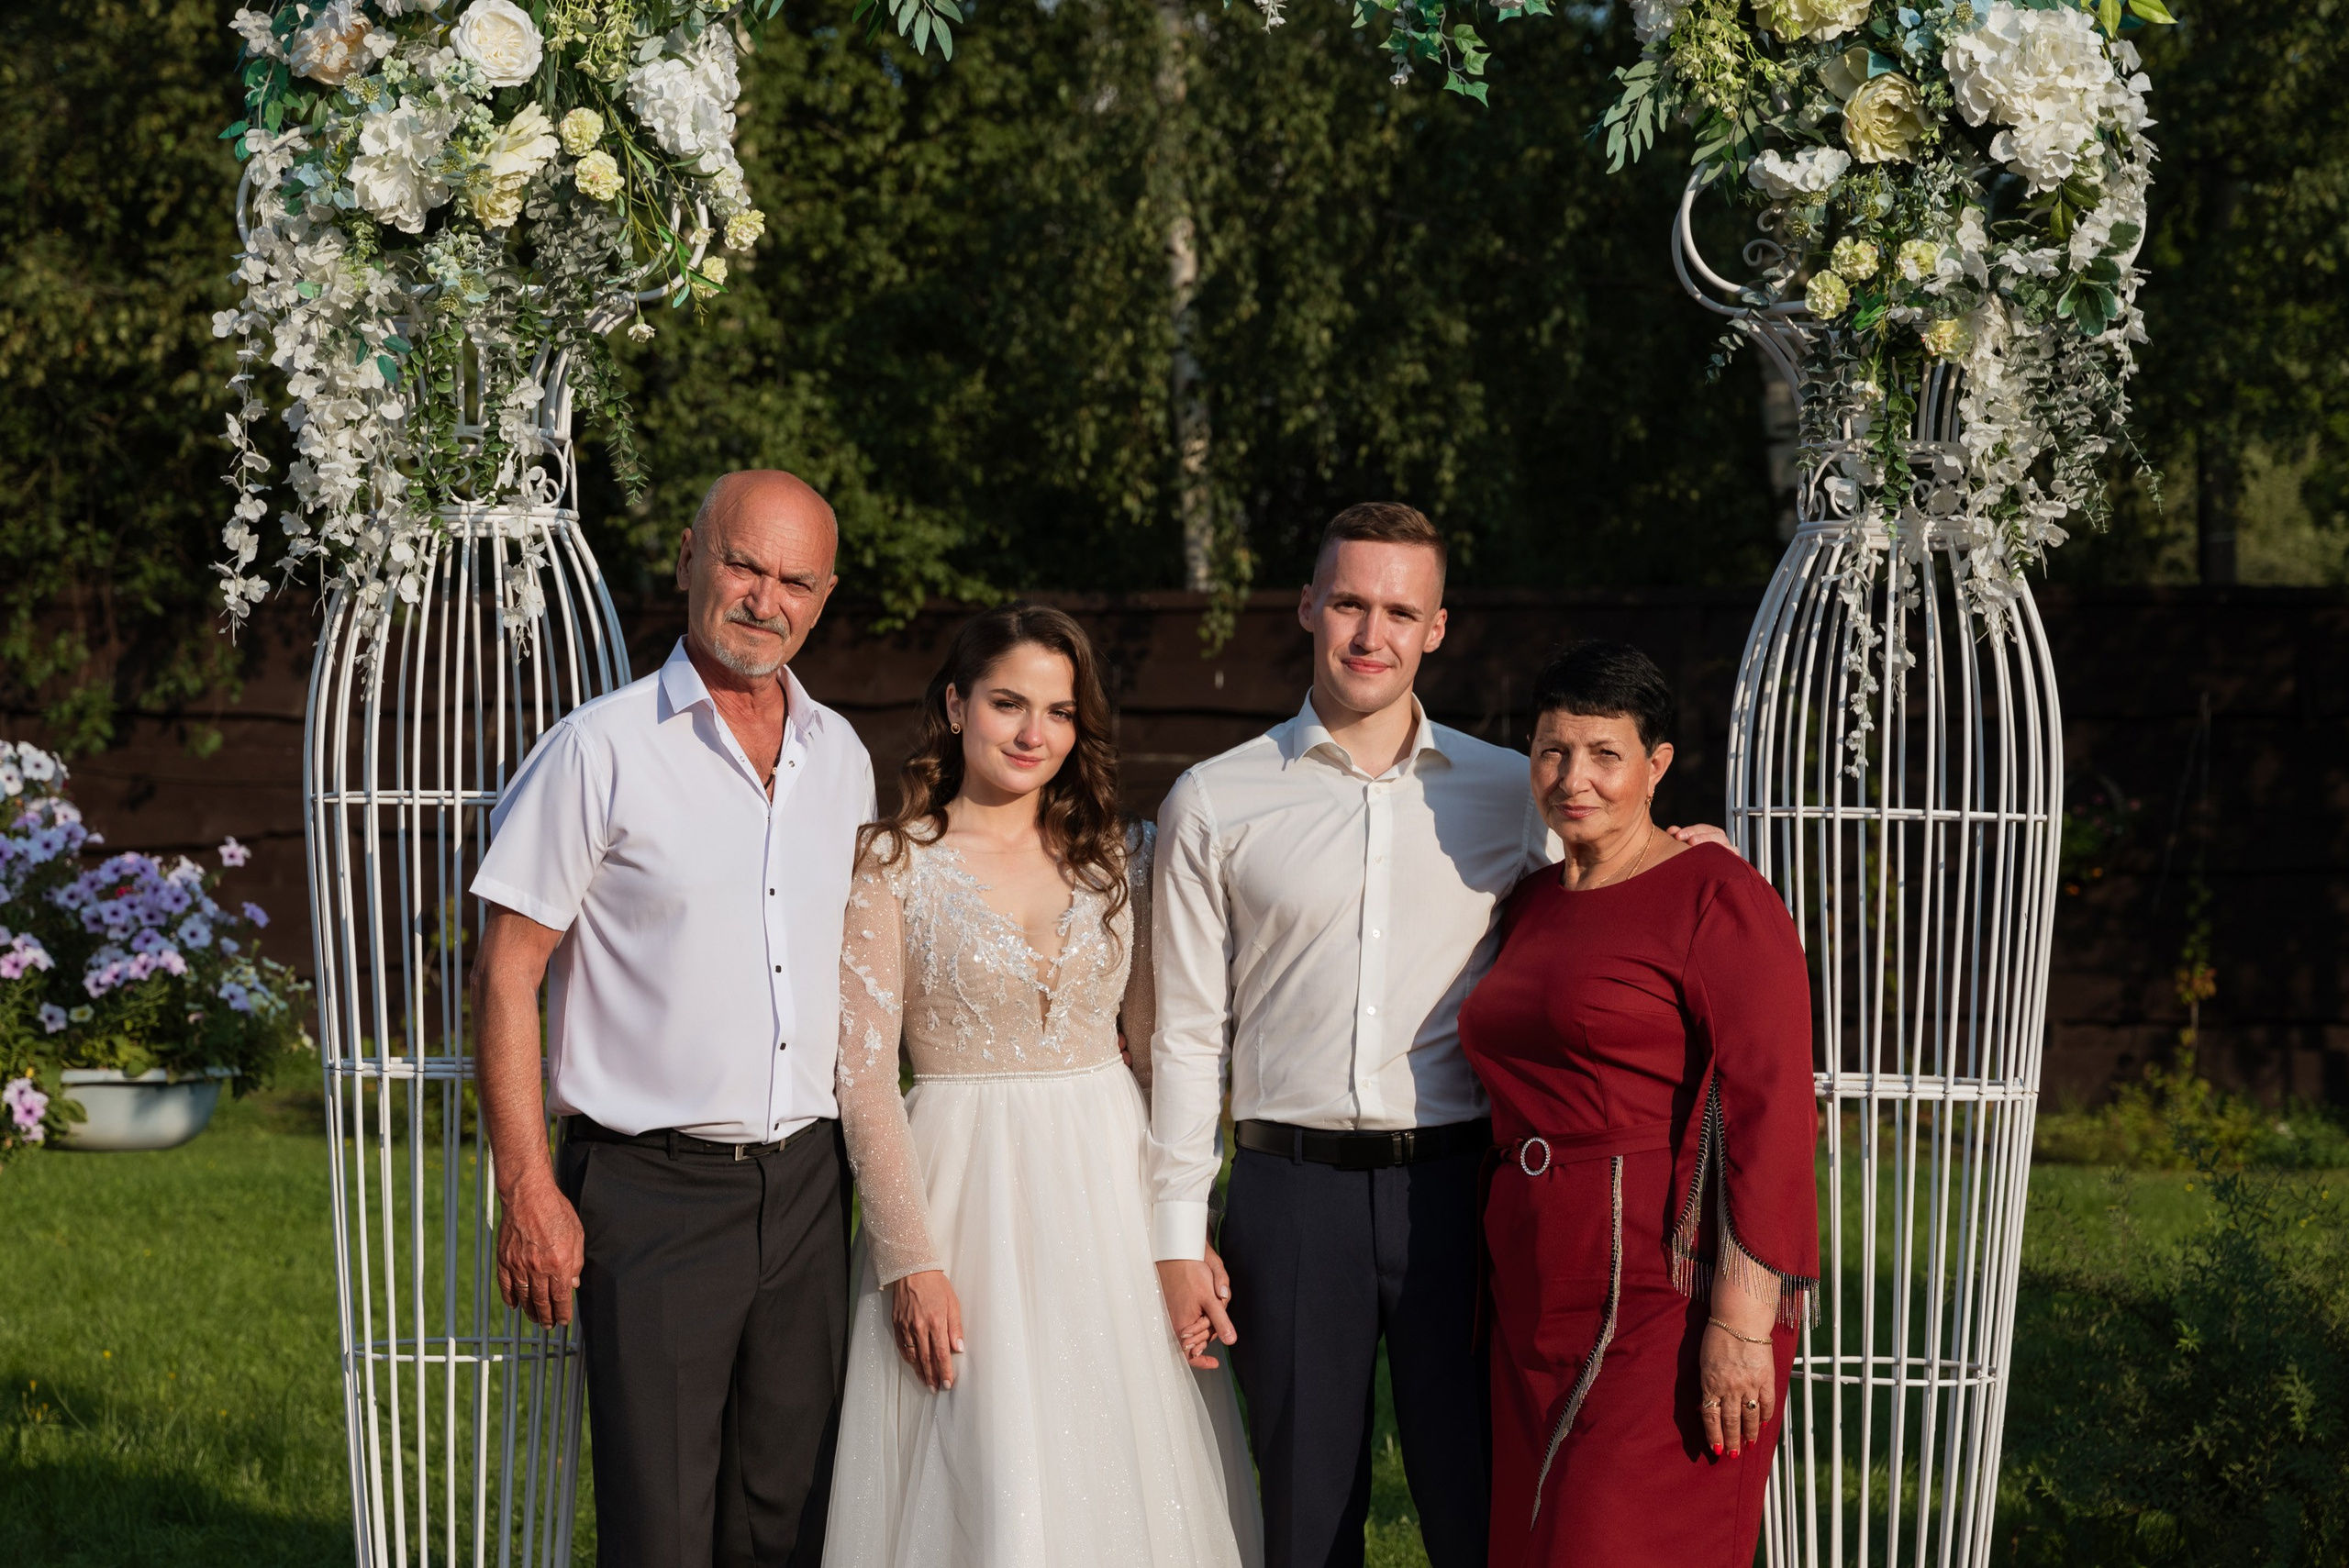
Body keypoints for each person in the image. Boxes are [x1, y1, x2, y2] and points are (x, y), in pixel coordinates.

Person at [1147, 504, 1722, 1568]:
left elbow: (1619, 868)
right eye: (1352, 602)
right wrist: (1178, 1232)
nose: (1372, 631)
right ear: (1309, 605)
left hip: (1463, 1193)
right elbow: (1186, 1033)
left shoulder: (1516, 789)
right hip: (1290, 1193)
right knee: (1306, 1516)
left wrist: (1695, 848)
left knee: (1479, 1497)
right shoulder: (1214, 802)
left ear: (1436, 628)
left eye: (1399, 610)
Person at [471, 470, 874, 1568]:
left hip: (806, 1186)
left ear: (824, 595)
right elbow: (508, 976)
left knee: (788, 1515)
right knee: (660, 1529)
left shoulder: (841, 758)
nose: (764, 598)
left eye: (795, 579)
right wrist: (529, 1189)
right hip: (650, 1193)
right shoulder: (598, 749)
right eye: (744, 564)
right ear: (691, 554)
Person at [821, 604, 1261, 1568]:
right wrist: (908, 1259)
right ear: (953, 704)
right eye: (1008, 702)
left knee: (1117, 1441)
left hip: (1104, 1179)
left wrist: (1182, 1229)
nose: (1033, 733)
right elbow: (862, 1077)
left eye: (1058, 711)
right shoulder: (890, 863)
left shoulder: (1121, 860)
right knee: (983, 1445)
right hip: (960, 1189)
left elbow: (1157, 1053)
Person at [1456, 639, 1819, 1568]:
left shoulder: (1717, 894)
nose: (1574, 777)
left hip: (1661, 1284)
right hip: (1532, 1275)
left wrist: (1740, 1323)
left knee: (1613, 1538)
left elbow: (1770, 1108)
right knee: (1530, 1541)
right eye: (1552, 750)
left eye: (1604, 753)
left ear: (1655, 765)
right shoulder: (1529, 901)